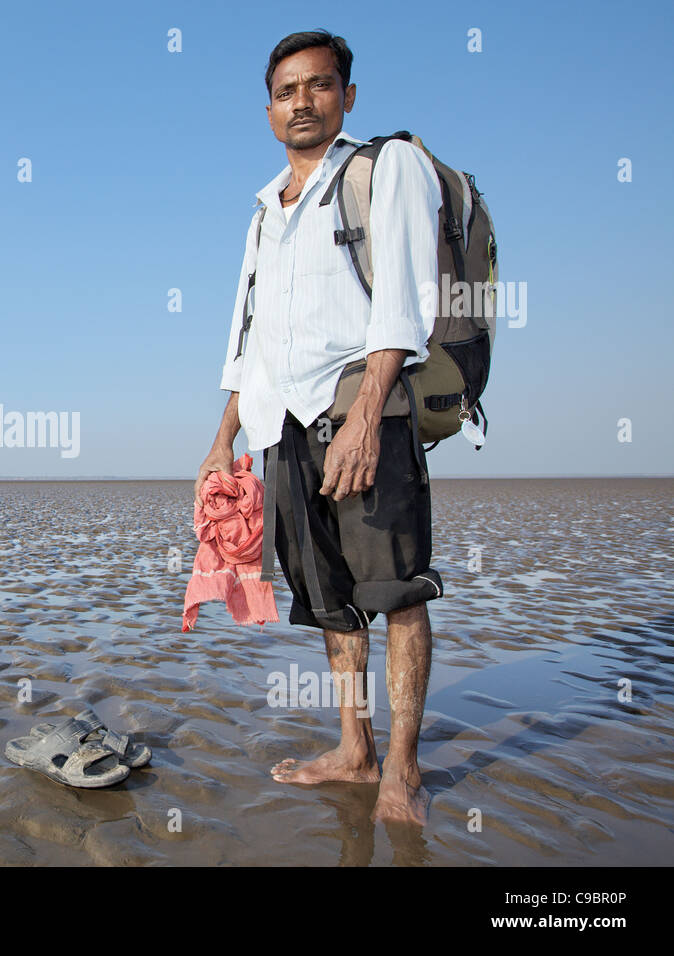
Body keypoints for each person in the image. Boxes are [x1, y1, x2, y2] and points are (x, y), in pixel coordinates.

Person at [195, 29, 443, 825]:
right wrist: (220, 439)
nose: (302, 101)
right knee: (328, 597)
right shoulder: (264, 211)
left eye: (319, 86)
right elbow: (246, 334)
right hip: (284, 424)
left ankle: (402, 769)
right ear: (268, 109)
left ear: (347, 96)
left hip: (362, 407)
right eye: (286, 91)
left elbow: (402, 299)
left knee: (397, 590)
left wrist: (369, 417)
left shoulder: (382, 167)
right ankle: (354, 749)